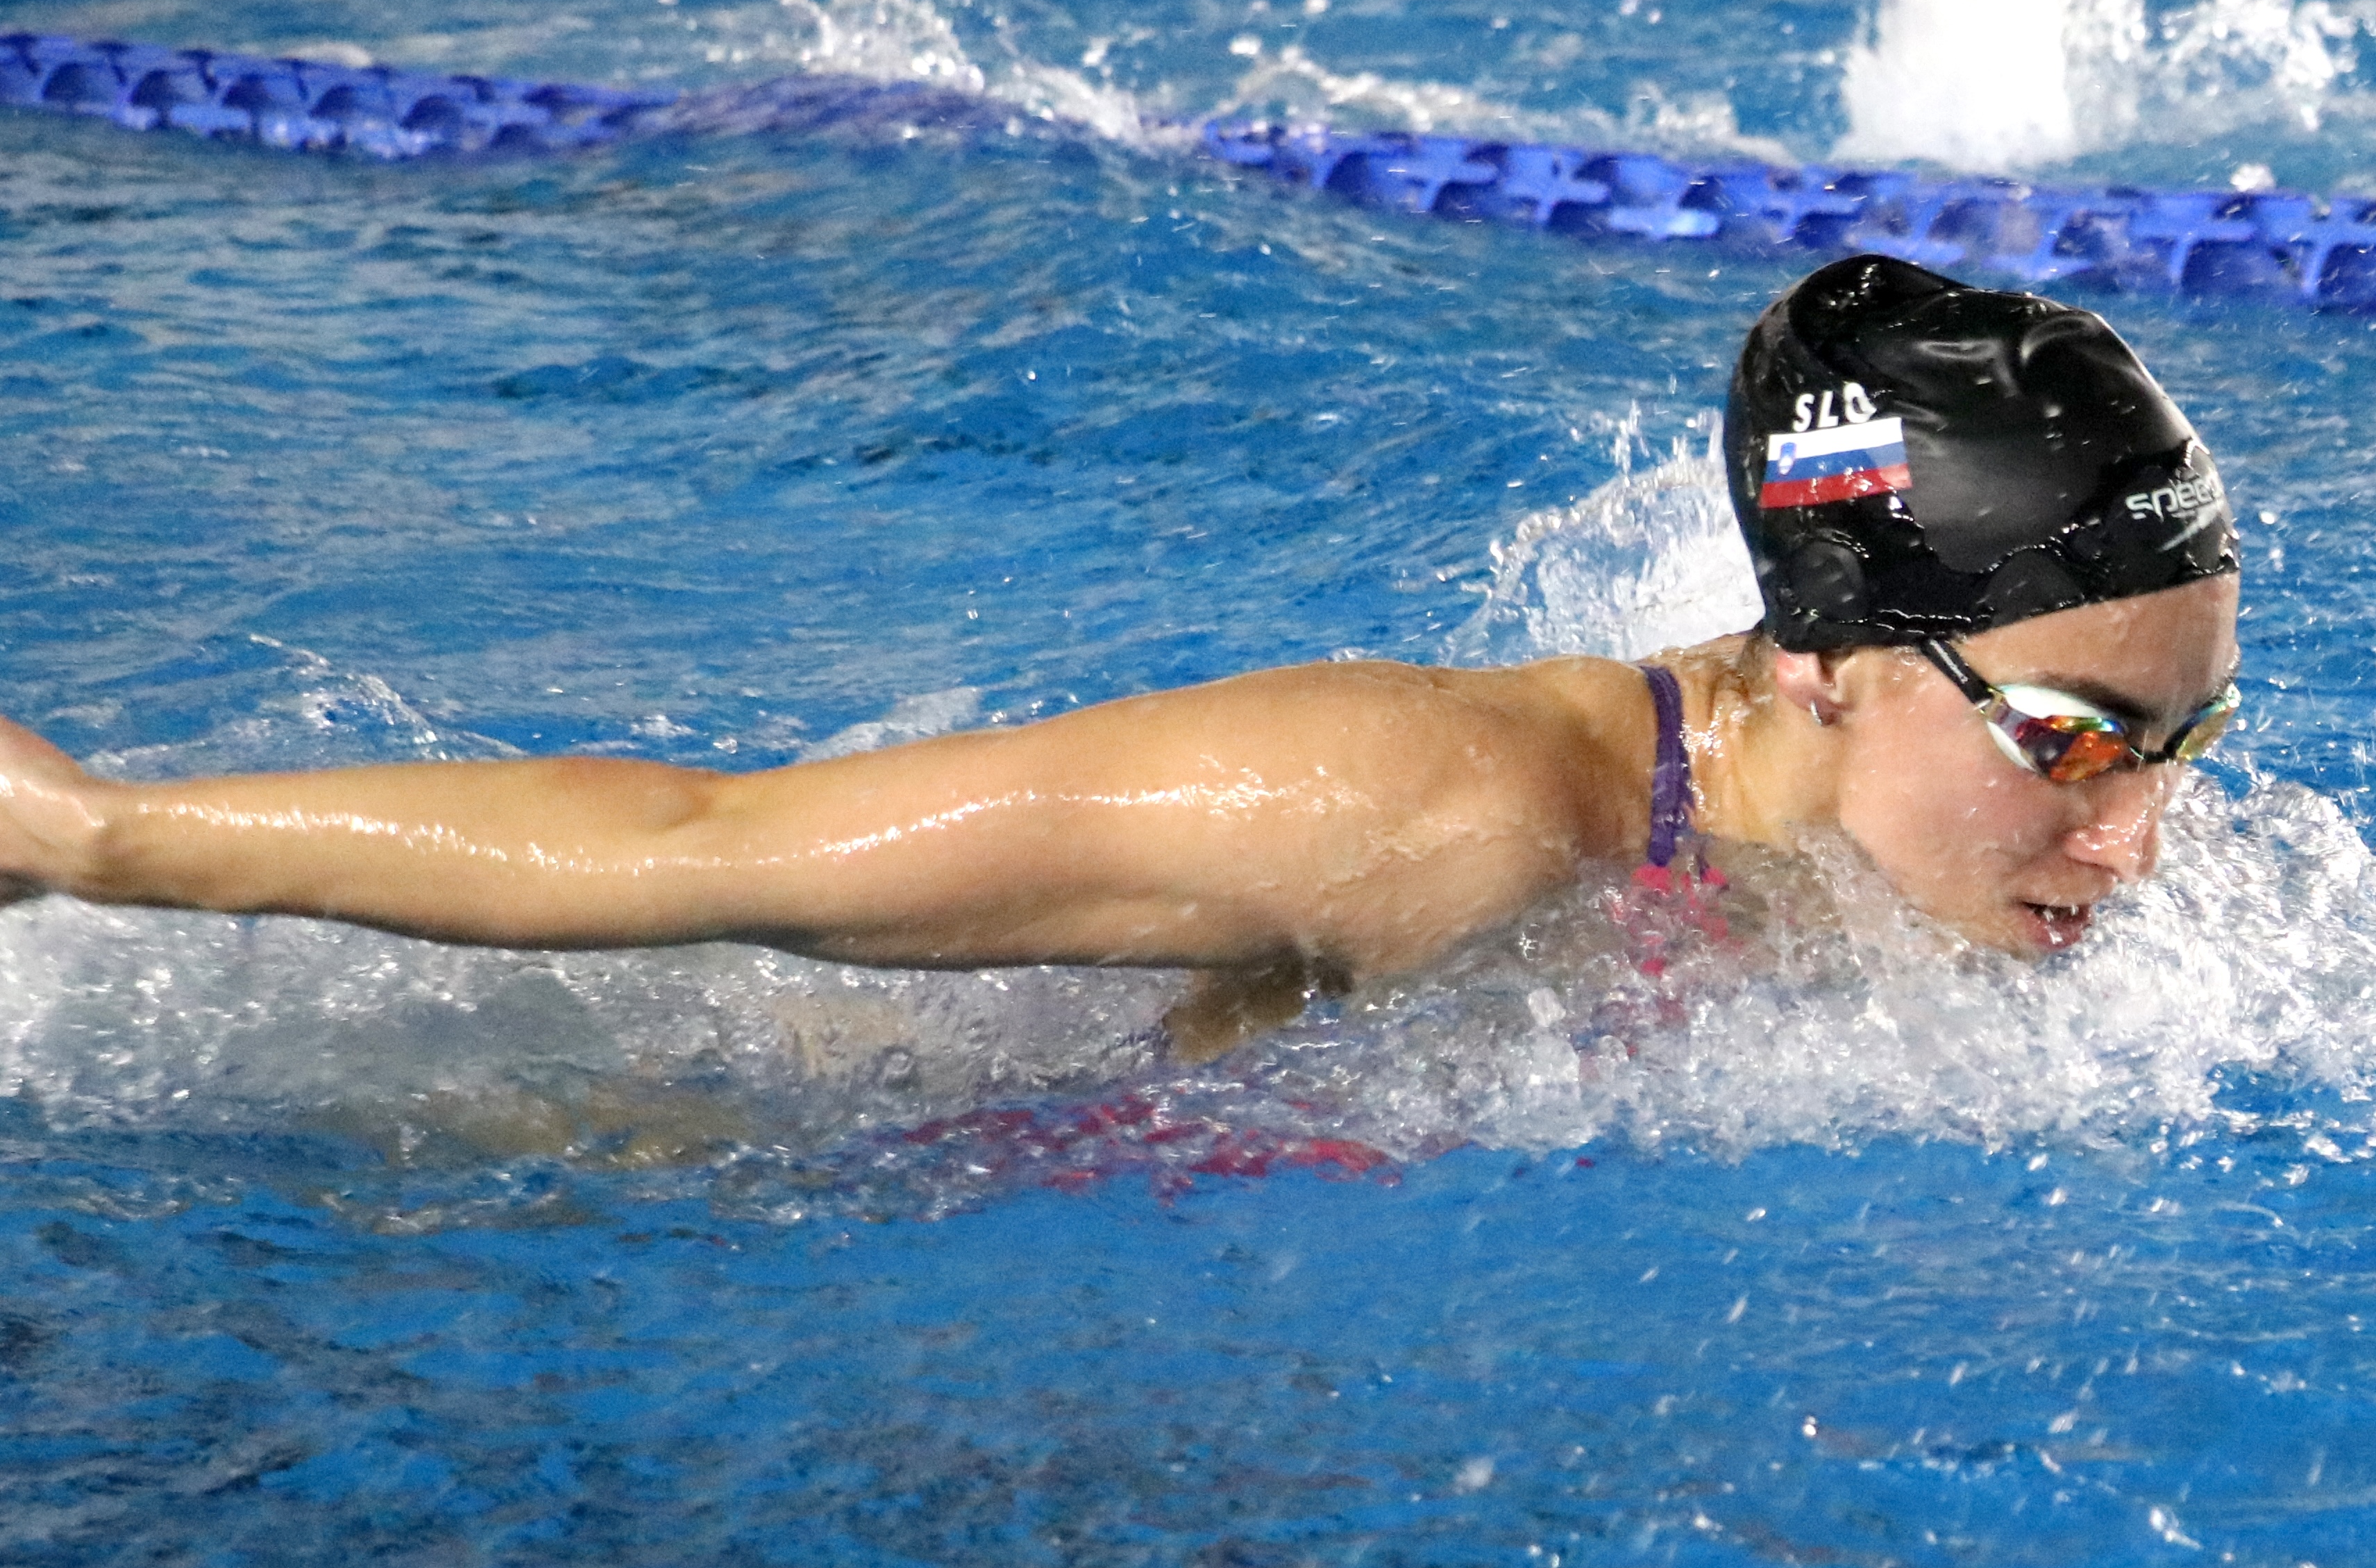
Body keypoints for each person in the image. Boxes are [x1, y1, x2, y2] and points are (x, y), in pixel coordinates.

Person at [0, 255, 2243, 1058]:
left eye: (2187, 741)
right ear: (1831, 658)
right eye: (2075, 741)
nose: (2140, 841)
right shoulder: (1418, 808)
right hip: (753, 1171)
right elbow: (705, 848)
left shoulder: (1917, 832)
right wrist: (97, 838)